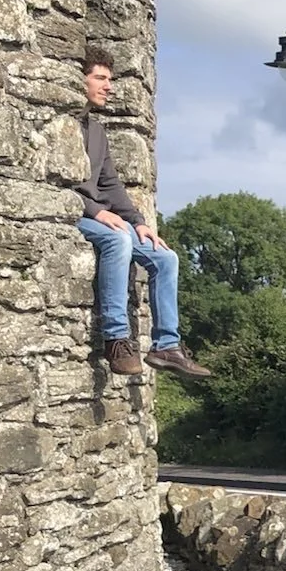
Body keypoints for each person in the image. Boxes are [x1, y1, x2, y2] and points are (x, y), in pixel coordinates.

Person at [74, 46, 211, 379]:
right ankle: (117, 340)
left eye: (110, 79)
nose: (109, 87)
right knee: (118, 240)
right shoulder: (60, 124)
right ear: (79, 79)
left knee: (166, 257)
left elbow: (111, 185)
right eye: (100, 78)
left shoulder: (96, 131)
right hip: (73, 215)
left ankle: (167, 346)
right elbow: (51, 182)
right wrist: (93, 210)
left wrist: (139, 222)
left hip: (100, 217)